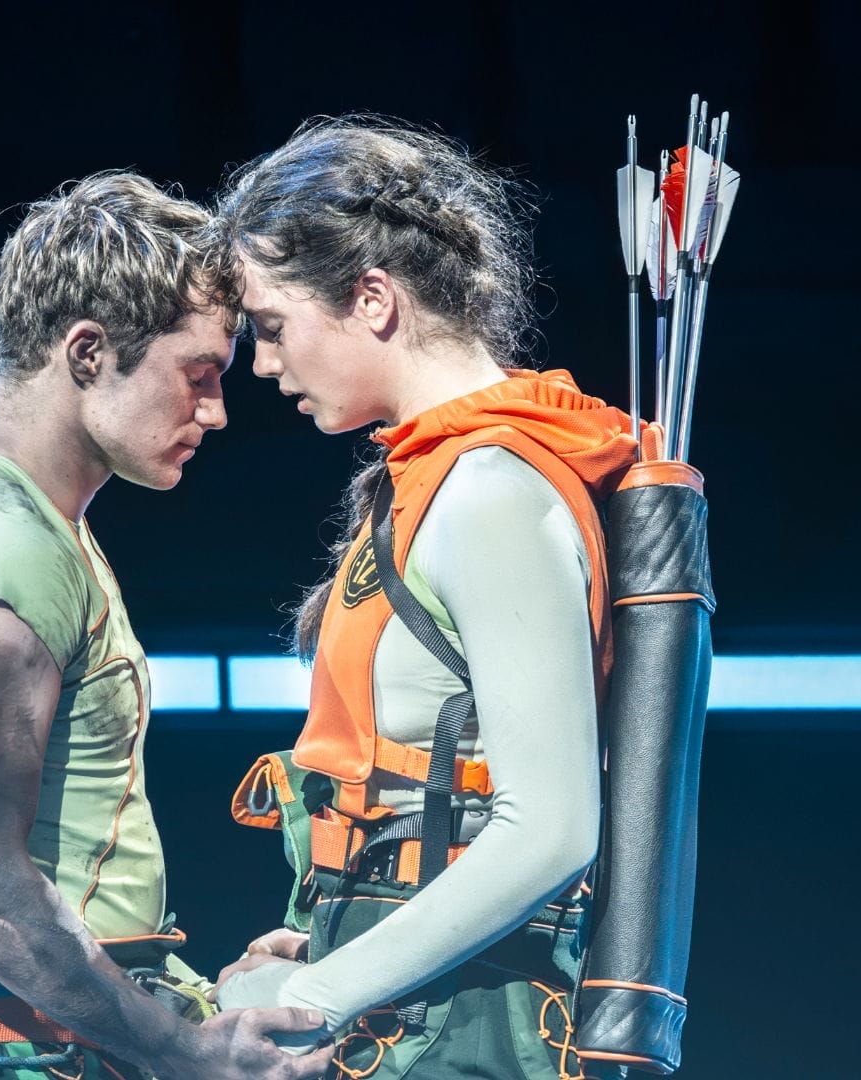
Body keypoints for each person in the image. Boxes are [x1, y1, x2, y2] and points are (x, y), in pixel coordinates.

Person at [0, 171, 334, 1080]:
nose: (216, 411)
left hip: (38, 1041)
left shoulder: (28, 527)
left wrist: (186, 1001)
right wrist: (182, 1051)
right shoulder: (2, 546)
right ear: (86, 351)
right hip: (0, 1055)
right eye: (197, 375)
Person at [212, 118, 642, 1078]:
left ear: (372, 299)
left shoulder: (491, 491)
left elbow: (550, 830)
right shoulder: (435, 480)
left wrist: (315, 995)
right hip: (426, 1013)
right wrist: (339, 937)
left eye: (271, 327)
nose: (264, 365)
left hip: (471, 1037)